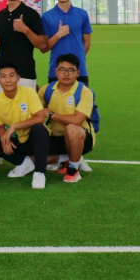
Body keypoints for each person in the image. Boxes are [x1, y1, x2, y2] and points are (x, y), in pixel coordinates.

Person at [0, 64, 50, 189]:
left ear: (18, 77)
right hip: (17, 141)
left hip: (33, 140)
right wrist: (4, 140)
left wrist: (14, 126)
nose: (8, 80)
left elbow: (40, 118)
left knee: (39, 129)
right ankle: (24, 162)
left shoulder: (29, 92)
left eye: (12, 75)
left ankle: (39, 173)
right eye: (3, 76)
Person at [40, 53, 96, 183]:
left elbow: (77, 120)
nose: (66, 74)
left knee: (71, 128)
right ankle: (66, 158)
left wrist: (51, 115)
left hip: (81, 137)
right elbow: (37, 113)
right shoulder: (46, 90)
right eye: (62, 70)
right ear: (56, 71)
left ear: (77, 73)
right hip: (56, 137)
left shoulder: (85, 92)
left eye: (71, 70)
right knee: (35, 159)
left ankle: (73, 169)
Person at [0, 0, 46, 97]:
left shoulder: (31, 14)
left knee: (26, 109)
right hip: (2, 74)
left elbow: (43, 45)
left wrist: (26, 30)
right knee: (0, 108)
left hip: (25, 73)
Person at [40, 0, 93, 85]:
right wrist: (58, 35)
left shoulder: (82, 14)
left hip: (79, 71)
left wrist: (76, 61)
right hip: (56, 71)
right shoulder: (47, 17)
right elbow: (44, 48)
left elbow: (87, 42)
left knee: (81, 97)